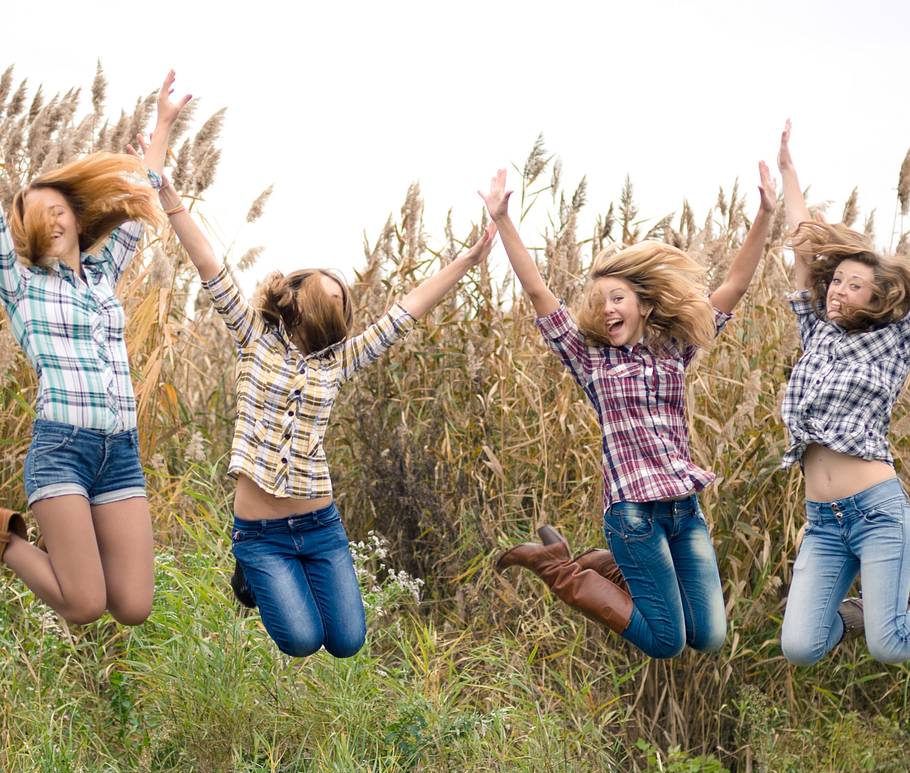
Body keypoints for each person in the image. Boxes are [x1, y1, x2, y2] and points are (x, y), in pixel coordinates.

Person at [150, 152, 496, 657]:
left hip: (319, 525)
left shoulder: (340, 361)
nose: (338, 298)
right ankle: (249, 569)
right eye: (328, 290)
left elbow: (411, 308)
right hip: (260, 533)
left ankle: (286, 579)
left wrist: (467, 260)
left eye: (343, 298)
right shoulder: (255, 338)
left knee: (348, 642)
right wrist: (169, 196)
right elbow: (209, 265)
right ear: (298, 294)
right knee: (301, 639)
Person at [482, 163, 776, 658]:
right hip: (633, 514)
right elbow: (537, 293)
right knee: (665, 643)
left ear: (643, 303)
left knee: (707, 636)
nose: (607, 309)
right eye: (599, 302)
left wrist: (766, 214)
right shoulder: (590, 358)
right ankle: (559, 567)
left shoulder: (674, 348)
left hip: (684, 511)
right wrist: (504, 219)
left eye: (617, 297)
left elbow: (734, 288)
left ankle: (607, 566)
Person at [0, 71, 190, 626]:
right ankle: (6, 541)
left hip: (120, 452)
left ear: (79, 219)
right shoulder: (19, 278)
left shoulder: (104, 271)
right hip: (61, 447)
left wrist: (162, 123)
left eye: (60, 207)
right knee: (83, 604)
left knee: (132, 606)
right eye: (38, 212)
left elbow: (143, 188)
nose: (52, 217)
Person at [777, 120, 910, 666]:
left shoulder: (893, 339)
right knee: (802, 647)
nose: (838, 290)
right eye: (837, 282)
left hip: (876, 509)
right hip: (823, 519)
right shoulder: (817, 332)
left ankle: (881, 617)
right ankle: (859, 613)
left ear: (879, 297)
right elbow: (804, 246)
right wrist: (788, 170)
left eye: (855, 285)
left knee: (890, 644)